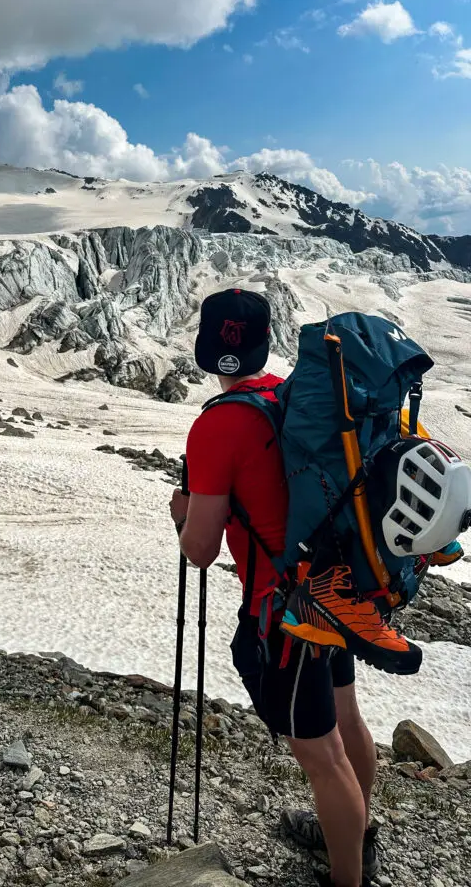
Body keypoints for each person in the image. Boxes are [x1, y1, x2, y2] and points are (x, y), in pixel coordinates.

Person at [169, 288, 379, 887]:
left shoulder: (218, 426)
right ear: (266, 341)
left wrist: (183, 512)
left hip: (283, 613)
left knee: (321, 754)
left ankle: (348, 879)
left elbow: (201, 550)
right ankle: (356, 834)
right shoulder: (299, 401)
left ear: (208, 348)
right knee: (345, 718)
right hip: (333, 590)